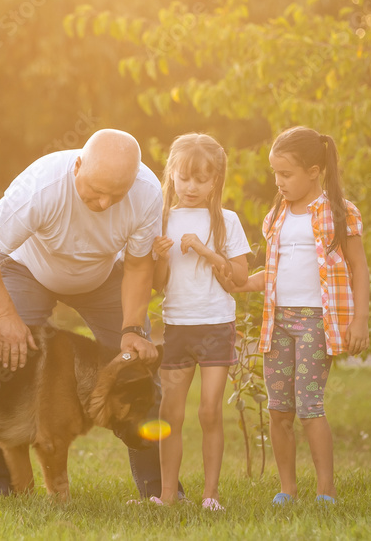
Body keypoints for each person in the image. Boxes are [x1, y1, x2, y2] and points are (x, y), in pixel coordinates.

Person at [0, 128, 178, 500]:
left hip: (101, 278)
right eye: (96, 191)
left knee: (139, 363)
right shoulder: (41, 187)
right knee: (11, 356)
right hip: (29, 270)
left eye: (116, 195)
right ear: (77, 166)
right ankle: (0, 486)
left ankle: (158, 490)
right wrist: (7, 320)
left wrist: (131, 328)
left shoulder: (146, 192)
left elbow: (139, 265)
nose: (105, 203)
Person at [226, 126, 369, 505]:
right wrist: (242, 283)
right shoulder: (277, 214)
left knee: (309, 407)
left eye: (286, 174)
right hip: (277, 322)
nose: (279, 181)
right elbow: (273, 273)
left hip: (315, 322)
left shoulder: (339, 212)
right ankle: (287, 489)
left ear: (314, 171)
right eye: (275, 173)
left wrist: (360, 320)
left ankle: (326, 491)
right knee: (278, 410)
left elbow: (359, 267)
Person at [149, 134, 251, 511]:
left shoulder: (226, 221)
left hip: (215, 324)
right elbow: (158, 285)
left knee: (209, 411)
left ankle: (211, 495)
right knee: (169, 413)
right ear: (172, 175)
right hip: (177, 325)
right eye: (184, 177)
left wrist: (205, 249)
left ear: (215, 181)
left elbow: (239, 277)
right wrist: (161, 258)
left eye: (201, 179)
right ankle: (168, 495)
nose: (191, 187)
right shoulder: (162, 220)